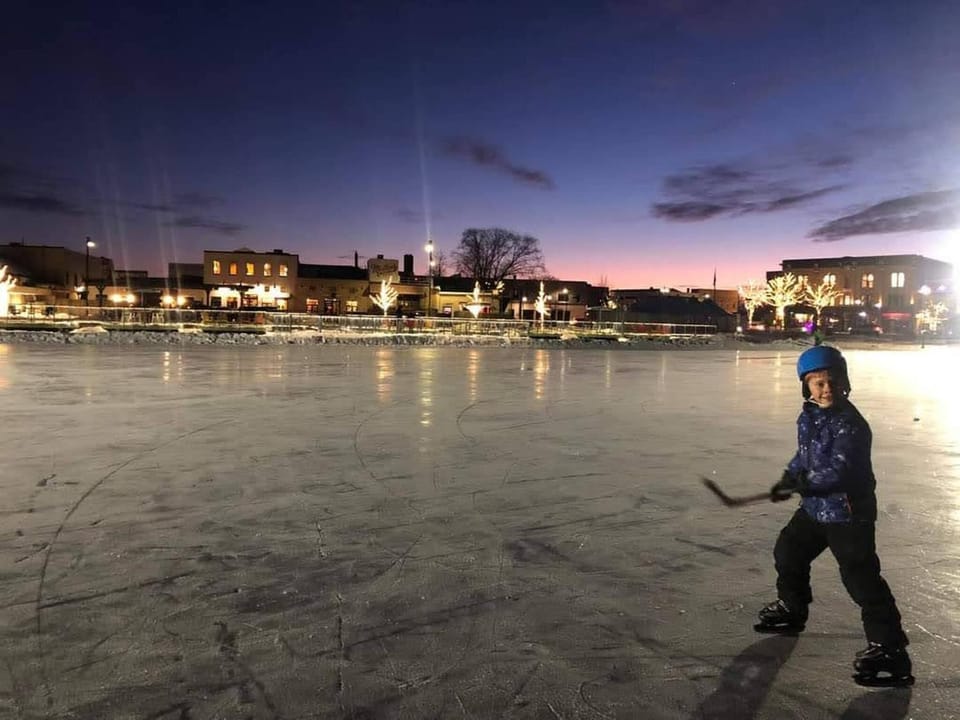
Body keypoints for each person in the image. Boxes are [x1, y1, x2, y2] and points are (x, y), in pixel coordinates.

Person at [755, 345, 913, 687]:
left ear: (845, 384)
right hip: (815, 510)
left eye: (833, 382)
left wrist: (803, 483)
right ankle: (792, 607)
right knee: (788, 551)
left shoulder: (850, 425)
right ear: (806, 388)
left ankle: (890, 650)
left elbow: (838, 471)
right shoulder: (808, 417)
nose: (826, 389)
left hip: (847, 514)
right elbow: (805, 454)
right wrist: (790, 474)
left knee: (861, 580)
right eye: (818, 383)